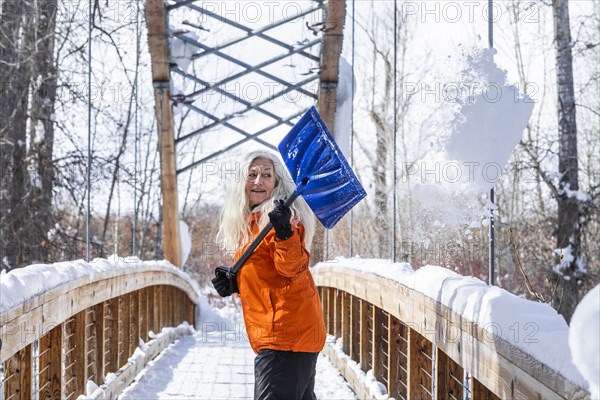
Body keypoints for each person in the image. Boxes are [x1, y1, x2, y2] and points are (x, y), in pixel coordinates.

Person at [211, 150, 326, 400]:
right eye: (252, 174)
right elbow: (268, 277)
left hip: (286, 335)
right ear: (242, 182)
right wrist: (236, 283)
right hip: (285, 335)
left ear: (276, 182)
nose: (258, 181)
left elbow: (292, 268)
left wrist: (284, 231)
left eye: (266, 175)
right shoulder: (251, 223)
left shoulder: (285, 219)